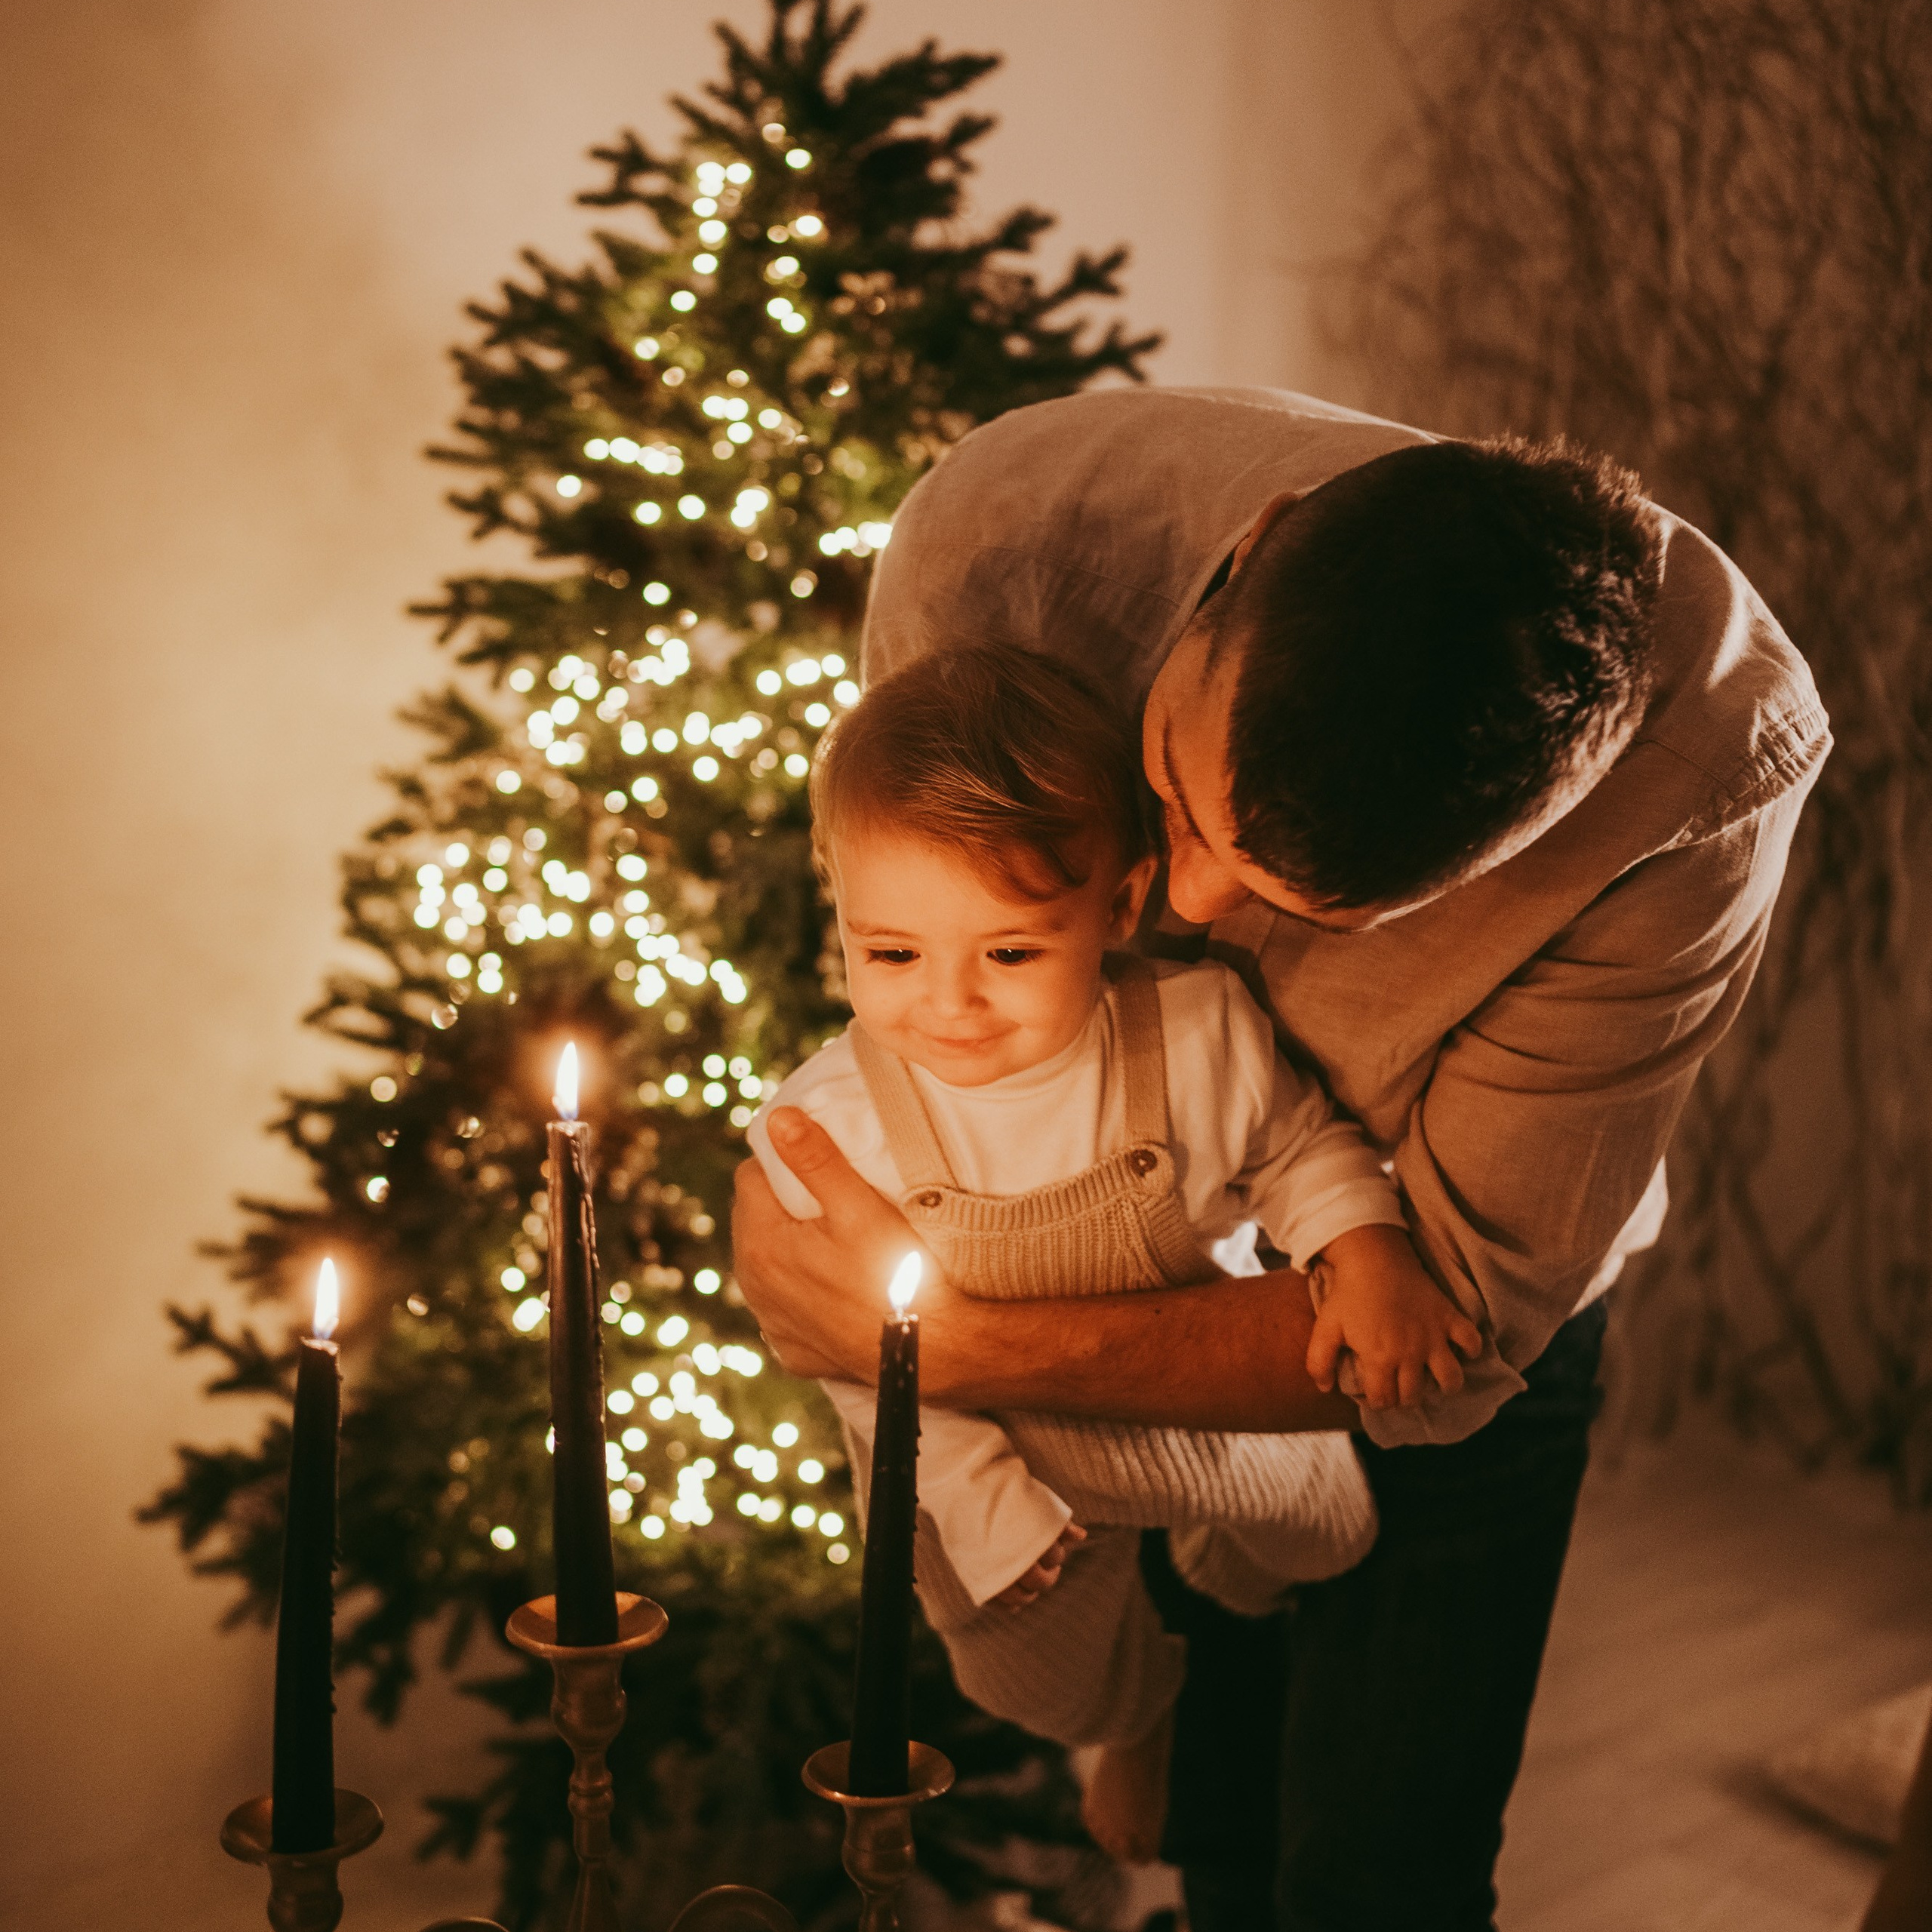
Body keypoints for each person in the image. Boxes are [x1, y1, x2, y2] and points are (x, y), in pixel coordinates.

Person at [734, 387, 1831, 1930]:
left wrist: (950, 1350)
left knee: (1377, 1879)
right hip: (1120, 1300)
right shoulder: (1007, 534)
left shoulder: (1701, 778)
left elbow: (1448, 1339)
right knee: (1221, 1841)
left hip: (1433, 1308)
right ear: (1251, 551)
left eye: (1303, 907)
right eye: (1174, 800)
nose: (1175, 907)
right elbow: (925, 917)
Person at [748, 643, 1480, 1860]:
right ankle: (1139, 1715)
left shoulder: (1194, 1034)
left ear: (1122, 903)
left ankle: (1211, 1581)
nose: (950, 1004)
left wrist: (1366, 1249)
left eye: (1011, 952)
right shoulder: (836, 1123)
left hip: (1184, 1396)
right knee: (1030, 1678)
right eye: (892, 954)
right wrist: (982, 1504)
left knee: (1325, 1536)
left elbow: (1301, 1150)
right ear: (841, 910)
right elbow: (857, 1359)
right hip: (980, 1444)